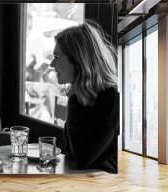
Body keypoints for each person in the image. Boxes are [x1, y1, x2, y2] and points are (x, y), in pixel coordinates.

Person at [50, 21, 119, 173]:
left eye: (56, 57)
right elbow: (71, 152)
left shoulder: (112, 98)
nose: (51, 64)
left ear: (78, 61)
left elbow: (83, 157)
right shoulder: (85, 96)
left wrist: (74, 98)